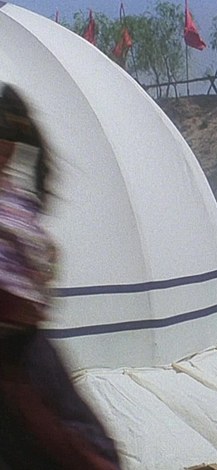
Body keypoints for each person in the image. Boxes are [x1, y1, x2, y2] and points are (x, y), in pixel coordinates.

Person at [0, 84, 120, 468]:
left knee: (81, 450)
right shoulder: (17, 202)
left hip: (20, 356)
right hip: (23, 354)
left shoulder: (14, 202)